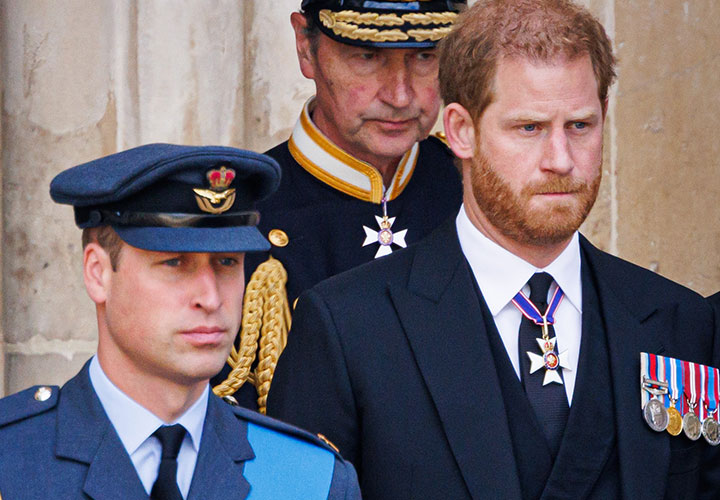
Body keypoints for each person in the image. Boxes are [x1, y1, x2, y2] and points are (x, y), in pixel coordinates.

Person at [266, 1, 720, 499]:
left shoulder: (679, 323)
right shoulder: (347, 330)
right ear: (461, 130)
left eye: (580, 126)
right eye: (529, 128)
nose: (560, 161)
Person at [0, 144, 360, 499]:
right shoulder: (11, 459)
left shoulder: (308, 479)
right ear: (98, 273)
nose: (211, 298)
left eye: (227, 263)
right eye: (174, 263)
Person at [215, 0, 466, 411]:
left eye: (425, 56)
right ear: (304, 45)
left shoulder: (479, 192)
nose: (400, 95)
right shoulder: (239, 218)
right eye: (367, 56)